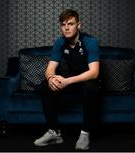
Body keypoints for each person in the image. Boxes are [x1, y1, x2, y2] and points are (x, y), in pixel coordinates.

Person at [34, 9, 100, 150]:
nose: (67, 27)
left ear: (79, 25)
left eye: (70, 23)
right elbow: (50, 69)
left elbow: (94, 73)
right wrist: (51, 78)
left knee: (90, 87)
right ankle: (54, 132)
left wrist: (66, 81)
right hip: (71, 80)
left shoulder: (90, 41)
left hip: (88, 81)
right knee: (45, 84)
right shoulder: (60, 42)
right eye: (63, 24)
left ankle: (85, 133)